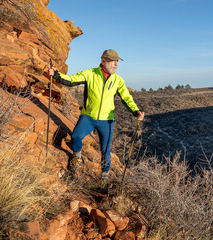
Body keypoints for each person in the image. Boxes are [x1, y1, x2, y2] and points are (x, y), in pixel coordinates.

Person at [48, 49, 144, 181]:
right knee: (76, 136)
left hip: (106, 120)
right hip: (88, 117)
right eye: (112, 61)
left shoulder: (118, 80)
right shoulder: (90, 74)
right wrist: (56, 75)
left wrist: (136, 111)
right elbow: (71, 80)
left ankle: (103, 178)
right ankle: (77, 156)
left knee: (105, 150)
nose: (116, 64)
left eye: (117, 62)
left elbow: (126, 98)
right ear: (103, 61)